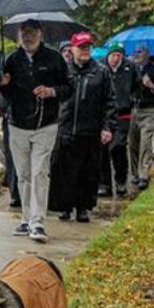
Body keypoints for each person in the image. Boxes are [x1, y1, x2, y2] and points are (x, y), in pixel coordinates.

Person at [0, 19, 70, 243]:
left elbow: (69, 88)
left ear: (40, 34)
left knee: (40, 172)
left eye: (31, 32)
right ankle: (26, 217)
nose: (27, 37)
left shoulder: (54, 59)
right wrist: (3, 85)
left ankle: (38, 222)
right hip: (17, 125)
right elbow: (5, 96)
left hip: (46, 124)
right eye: (23, 33)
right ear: (18, 36)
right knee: (24, 175)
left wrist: (52, 91)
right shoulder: (11, 60)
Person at [50, 33, 114, 222]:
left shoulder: (101, 72)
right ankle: (64, 206)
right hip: (66, 128)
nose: (85, 50)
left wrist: (107, 127)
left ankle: (83, 207)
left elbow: (109, 102)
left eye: (88, 47)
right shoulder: (63, 71)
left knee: (88, 173)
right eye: (81, 47)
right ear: (72, 49)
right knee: (64, 171)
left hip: (90, 130)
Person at [98, 42, 139, 197]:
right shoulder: (100, 67)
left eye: (119, 55)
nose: (116, 58)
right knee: (103, 148)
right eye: (113, 55)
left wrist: (132, 99)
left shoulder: (130, 67)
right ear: (109, 55)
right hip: (105, 113)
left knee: (118, 146)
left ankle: (121, 181)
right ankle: (104, 184)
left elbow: (137, 85)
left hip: (123, 113)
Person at [128, 45, 154, 190]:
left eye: (140, 52)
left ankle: (144, 175)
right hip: (133, 110)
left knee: (145, 143)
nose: (137, 54)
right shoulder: (130, 69)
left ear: (147, 54)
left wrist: (151, 86)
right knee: (132, 144)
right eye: (135, 52)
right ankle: (134, 173)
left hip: (148, 111)